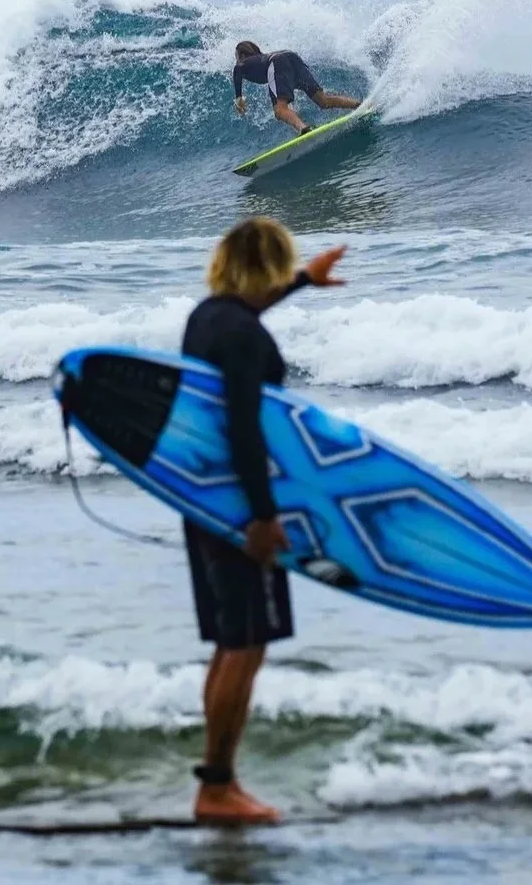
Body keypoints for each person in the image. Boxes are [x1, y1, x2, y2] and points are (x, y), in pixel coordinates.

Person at [179, 216, 348, 824]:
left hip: (205, 500)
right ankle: (217, 789)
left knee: (233, 643)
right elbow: (246, 430)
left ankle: (217, 781)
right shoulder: (244, 336)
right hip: (241, 507)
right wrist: (262, 517)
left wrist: (304, 281)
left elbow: (246, 316)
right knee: (247, 646)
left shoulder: (209, 318)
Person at [230, 40, 361, 135]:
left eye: (236, 56)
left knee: (279, 110)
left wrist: (238, 98)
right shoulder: (260, 60)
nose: (236, 60)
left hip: (277, 62)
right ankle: (358, 105)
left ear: (242, 55)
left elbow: (237, 70)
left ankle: (304, 129)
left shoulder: (243, 63)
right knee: (323, 101)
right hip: (292, 57)